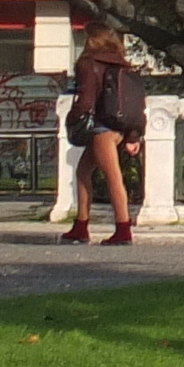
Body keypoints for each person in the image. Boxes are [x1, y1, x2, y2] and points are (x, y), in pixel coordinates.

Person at [64, 24, 146, 246]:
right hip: (120, 127)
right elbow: (133, 102)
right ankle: (80, 225)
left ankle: (122, 229)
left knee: (113, 176)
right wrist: (133, 135)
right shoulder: (122, 64)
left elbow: (86, 100)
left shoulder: (88, 63)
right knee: (83, 171)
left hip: (102, 128)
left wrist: (73, 117)